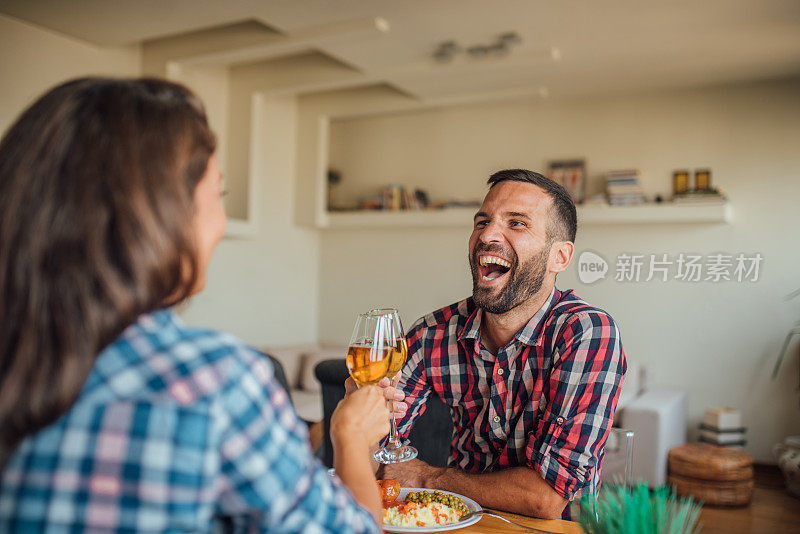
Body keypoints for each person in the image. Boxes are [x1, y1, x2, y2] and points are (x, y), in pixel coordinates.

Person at [0, 77, 390, 532]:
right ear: (163, 216)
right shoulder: (216, 382)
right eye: (217, 195)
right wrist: (351, 437)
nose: (220, 224)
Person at [357, 169, 626, 519]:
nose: (487, 235)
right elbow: (378, 454)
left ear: (558, 257)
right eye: (482, 221)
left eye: (516, 224)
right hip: (455, 522)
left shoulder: (586, 334)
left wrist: (426, 476)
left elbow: (546, 499)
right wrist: (358, 418)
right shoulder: (431, 333)